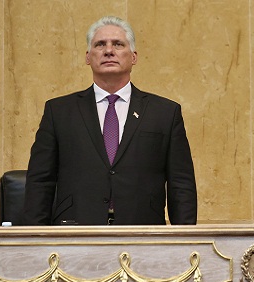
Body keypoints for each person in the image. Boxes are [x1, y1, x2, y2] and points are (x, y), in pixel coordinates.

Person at [23, 16, 197, 225]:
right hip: (75, 233)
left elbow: (181, 184)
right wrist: (36, 240)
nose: (108, 50)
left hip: (143, 232)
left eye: (118, 44)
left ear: (133, 56)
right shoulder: (59, 111)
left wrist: (184, 241)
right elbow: (40, 181)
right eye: (100, 44)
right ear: (88, 57)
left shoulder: (165, 113)